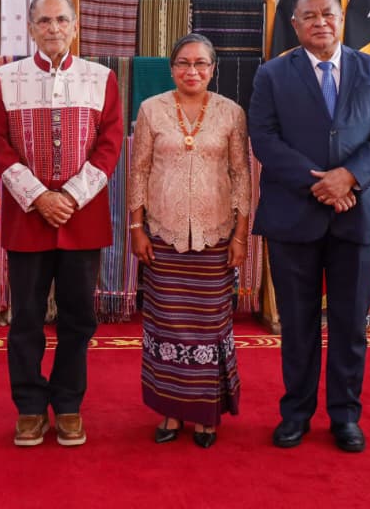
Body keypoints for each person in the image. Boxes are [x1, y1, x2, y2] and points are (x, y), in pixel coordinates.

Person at [248, 0, 370, 453]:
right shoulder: (272, 74)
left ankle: (345, 416)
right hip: (293, 215)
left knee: (350, 324)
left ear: (341, 19)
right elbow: (264, 137)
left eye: (328, 14)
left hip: (357, 214)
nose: (320, 22)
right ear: (295, 26)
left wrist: (348, 178)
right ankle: (295, 413)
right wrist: (319, 183)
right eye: (309, 16)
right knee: (297, 325)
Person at [0, 0, 123, 447]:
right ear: (30, 28)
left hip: (84, 218)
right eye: (44, 21)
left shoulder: (101, 78)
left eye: (62, 20)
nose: (53, 28)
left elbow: (110, 144)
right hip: (28, 217)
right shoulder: (4, 78)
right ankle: (28, 406)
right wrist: (40, 196)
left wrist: (72, 197)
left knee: (78, 318)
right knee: (26, 317)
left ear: (75, 26)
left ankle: (67, 404)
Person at [127, 33, 251, 449]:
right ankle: (170, 409)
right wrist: (137, 228)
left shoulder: (231, 112)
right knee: (167, 325)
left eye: (200, 63)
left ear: (213, 69)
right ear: (172, 68)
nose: (192, 71)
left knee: (209, 327)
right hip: (164, 236)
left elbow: (241, 176)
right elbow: (139, 171)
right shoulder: (151, 109)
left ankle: (205, 414)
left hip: (216, 237)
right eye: (183, 63)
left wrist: (240, 236)